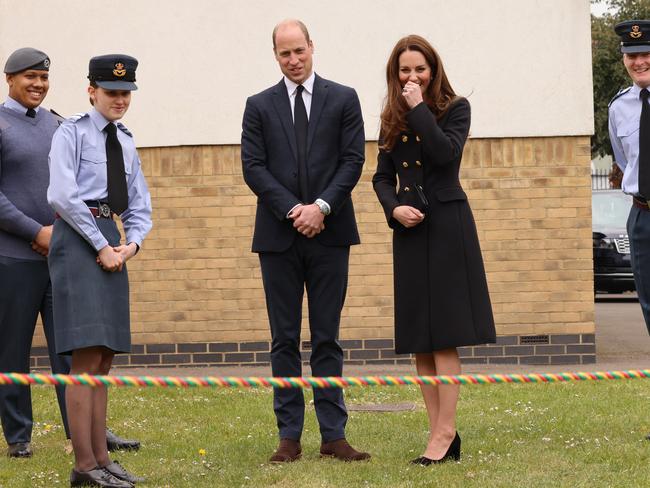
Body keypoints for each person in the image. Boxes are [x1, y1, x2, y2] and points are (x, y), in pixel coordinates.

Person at [0, 48, 139, 460]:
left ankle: (83, 430)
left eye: (43, 77)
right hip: (15, 256)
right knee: (12, 348)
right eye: (29, 77)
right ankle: (19, 434)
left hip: (64, 255)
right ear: (9, 79)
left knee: (74, 345)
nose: (38, 85)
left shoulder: (61, 125)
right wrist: (36, 230)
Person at [241, 19, 370, 463]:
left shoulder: (343, 99)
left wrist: (322, 208)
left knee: (327, 337)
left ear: (312, 47)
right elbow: (253, 167)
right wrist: (295, 210)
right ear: (275, 56)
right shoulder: (258, 105)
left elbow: (353, 161)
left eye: (299, 51)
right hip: (278, 238)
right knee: (283, 339)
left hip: (330, 235)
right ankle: (289, 435)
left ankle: (333, 435)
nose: (293, 60)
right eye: (284, 54)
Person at [372, 35, 496, 465]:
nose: (412, 77)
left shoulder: (455, 108)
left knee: (444, 337)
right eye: (404, 70)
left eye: (419, 69)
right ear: (396, 73)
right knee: (420, 342)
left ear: (433, 69)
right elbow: (381, 177)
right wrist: (393, 209)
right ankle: (440, 433)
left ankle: (444, 434)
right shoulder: (391, 117)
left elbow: (445, 155)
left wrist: (419, 107)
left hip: (447, 228)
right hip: (409, 231)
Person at [48, 54, 151, 487]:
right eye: (111, 92)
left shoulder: (126, 141)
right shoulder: (70, 132)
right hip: (79, 238)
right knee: (85, 357)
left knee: (104, 358)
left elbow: (141, 205)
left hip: (110, 239)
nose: (120, 100)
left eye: (126, 93)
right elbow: (62, 196)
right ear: (92, 90)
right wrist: (101, 246)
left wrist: (130, 245)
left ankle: (103, 460)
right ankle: (84, 467)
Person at [608, 20, 650, 439]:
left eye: (645, 53)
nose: (639, 61)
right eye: (632, 55)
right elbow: (625, 161)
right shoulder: (619, 107)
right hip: (642, 217)